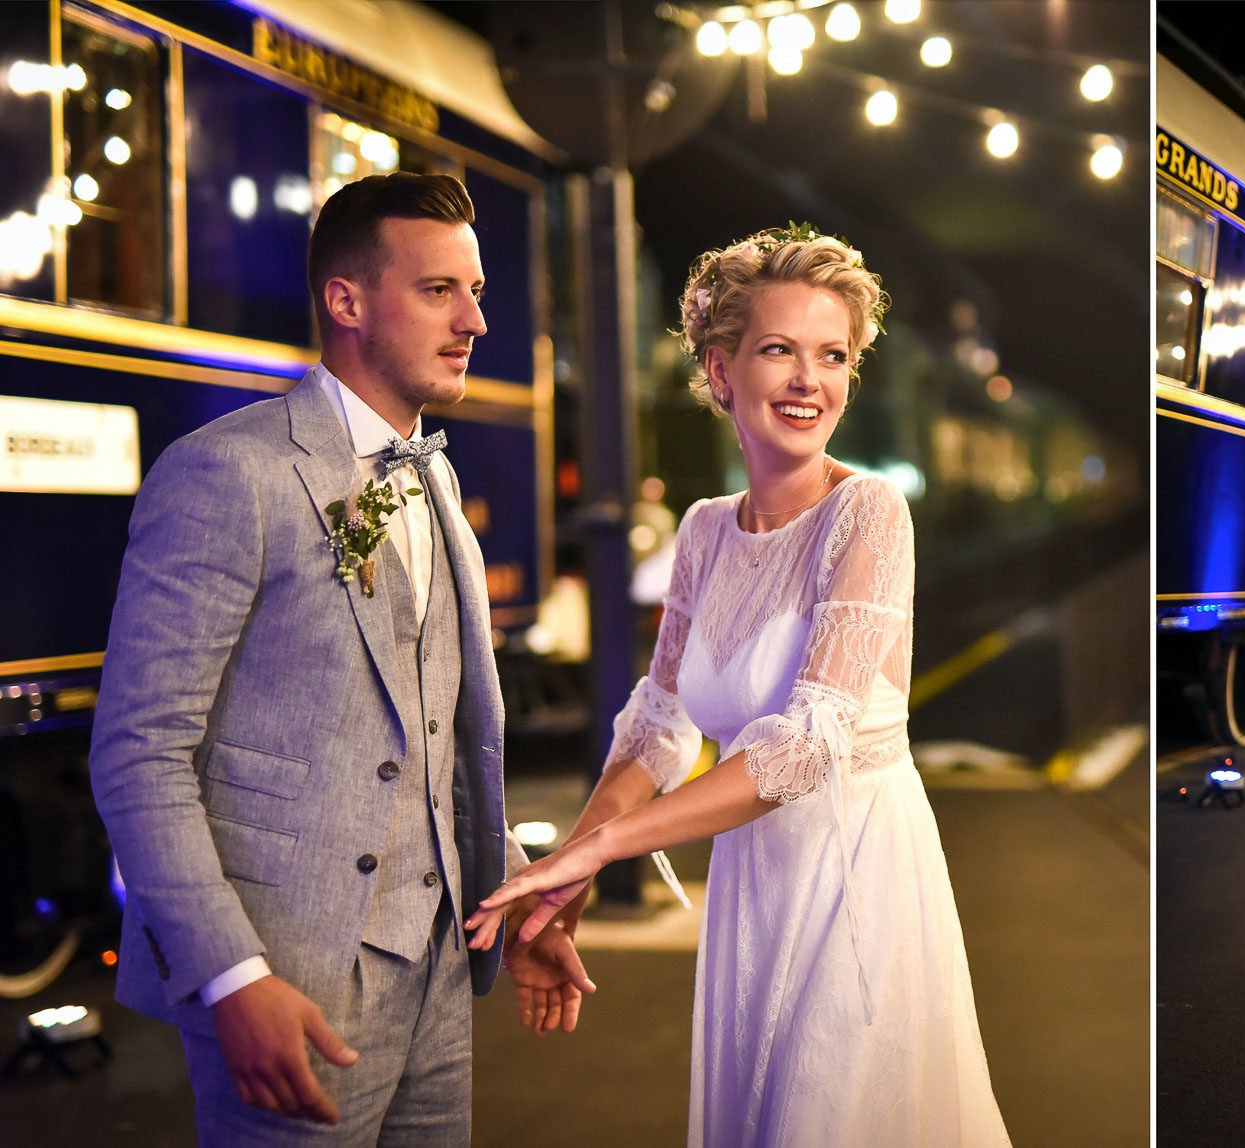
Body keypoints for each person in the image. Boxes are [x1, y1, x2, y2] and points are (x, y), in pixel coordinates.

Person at [465, 225, 1012, 1146]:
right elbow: (660, 727)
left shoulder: (869, 511)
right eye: (778, 351)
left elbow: (804, 745)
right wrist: (570, 879)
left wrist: (595, 852)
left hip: (855, 881)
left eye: (832, 356)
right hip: (752, 890)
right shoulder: (706, 530)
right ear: (720, 373)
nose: (810, 380)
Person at [90, 172, 590, 1144]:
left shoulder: (437, 477)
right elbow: (139, 751)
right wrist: (236, 976)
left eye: (477, 291)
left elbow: (434, 739)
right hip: (290, 978)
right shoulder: (229, 472)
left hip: (439, 967)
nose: (476, 320)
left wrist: (516, 892)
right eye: (440, 289)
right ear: (347, 300)